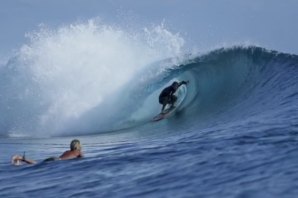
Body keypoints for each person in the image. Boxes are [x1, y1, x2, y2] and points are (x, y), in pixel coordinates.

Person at [11, 139, 83, 166]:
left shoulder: (67, 151)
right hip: (57, 161)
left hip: (54, 158)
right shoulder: (79, 152)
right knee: (37, 164)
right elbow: (82, 159)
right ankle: (21, 158)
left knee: (37, 163)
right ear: (78, 146)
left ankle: (21, 158)